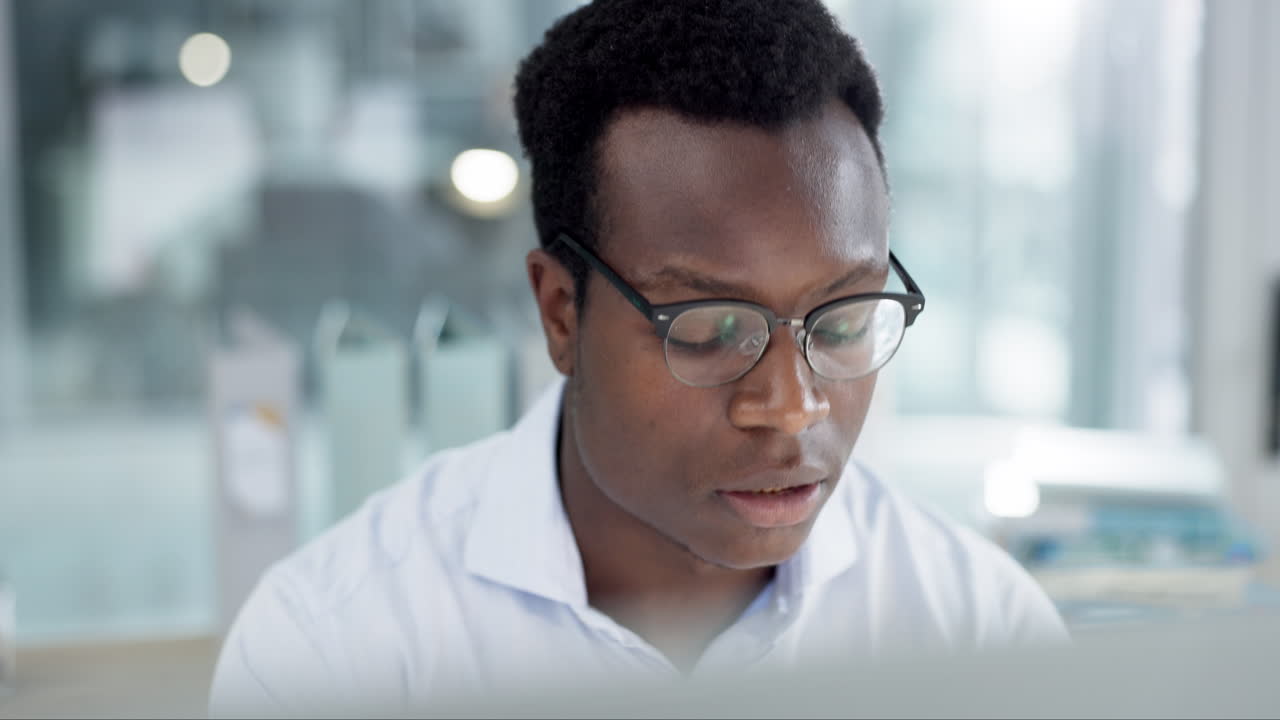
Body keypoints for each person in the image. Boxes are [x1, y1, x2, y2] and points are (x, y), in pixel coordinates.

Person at [210, 0, 1067, 714]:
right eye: (711, 326)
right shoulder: (337, 648)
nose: (790, 404)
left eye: (841, 321)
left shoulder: (977, 628)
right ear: (560, 314)